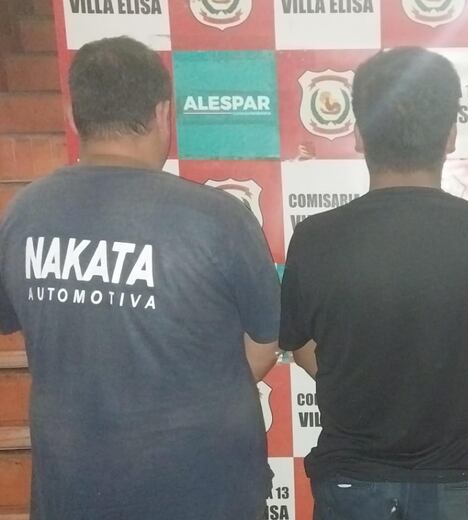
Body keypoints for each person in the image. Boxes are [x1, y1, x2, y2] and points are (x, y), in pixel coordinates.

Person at [0, 37, 281, 520]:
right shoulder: (217, 218)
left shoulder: (23, 213)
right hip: (204, 490)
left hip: (74, 489)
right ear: (162, 113)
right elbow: (267, 342)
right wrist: (190, 391)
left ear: (73, 116)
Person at [280, 47, 468, 520]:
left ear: (359, 135)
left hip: (352, 477)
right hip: (456, 478)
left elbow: (304, 349)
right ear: (451, 135)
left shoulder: (315, 236)